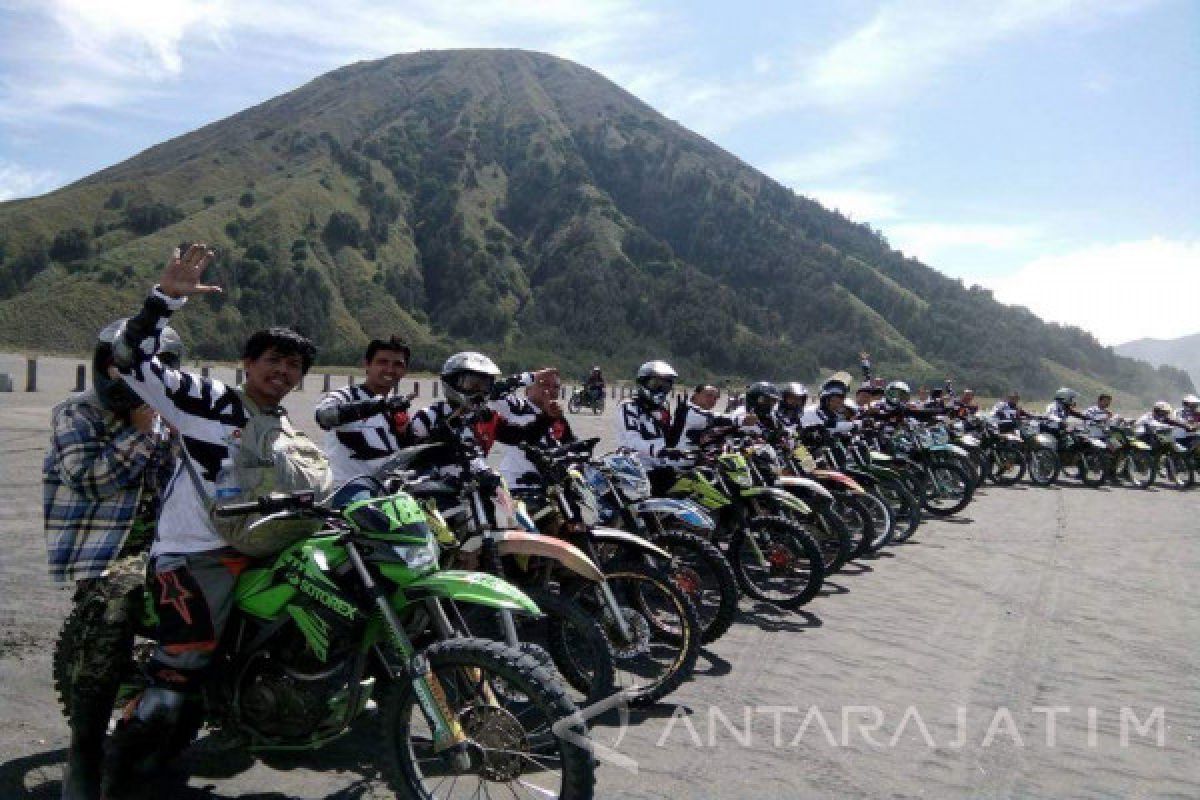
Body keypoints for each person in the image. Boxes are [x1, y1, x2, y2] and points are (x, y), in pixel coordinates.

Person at [103, 244, 326, 794]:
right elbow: (132, 359)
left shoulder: (280, 425)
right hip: (195, 556)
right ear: (247, 364)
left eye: (293, 364)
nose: (283, 370)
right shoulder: (210, 401)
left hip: (257, 550)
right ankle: (121, 772)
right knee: (184, 659)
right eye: (271, 359)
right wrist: (163, 302)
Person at [44, 322, 183, 800]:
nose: (125, 376)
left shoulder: (167, 416)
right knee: (118, 602)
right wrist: (142, 434)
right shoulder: (76, 412)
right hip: (105, 549)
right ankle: (84, 747)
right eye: (118, 366)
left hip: (164, 542)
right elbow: (88, 478)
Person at [406, 352, 557, 475]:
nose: (479, 391)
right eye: (472, 384)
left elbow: (522, 436)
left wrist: (546, 418)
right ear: (451, 381)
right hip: (436, 498)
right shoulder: (427, 416)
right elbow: (409, 460)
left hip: (476, 495)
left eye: (485, 385)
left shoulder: (487, 417)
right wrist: (441, 437)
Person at [314, 336, 412, 484]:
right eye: (382, 362)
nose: (390, 369)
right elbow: (323, 416)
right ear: (367, 364)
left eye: (398, 364)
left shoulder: (397, 406)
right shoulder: (346, 396)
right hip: (346, 488)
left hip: (385, 490)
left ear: (404, 371)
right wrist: (378, 405)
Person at [493, 370, 577, 489]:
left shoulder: (556, 416)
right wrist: (529, 377)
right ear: (528, 390)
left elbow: (569, 444)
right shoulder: (517, 407)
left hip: (551, 485)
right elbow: (493, 393)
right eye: (544, 384)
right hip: (518, 484)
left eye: (555, 387)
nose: (550, 390)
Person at [617, 360, 684, 493]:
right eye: (656, 384)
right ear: (643, 382)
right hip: (638, 470)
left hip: (661, 466)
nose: (661, 389)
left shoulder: (663, 409)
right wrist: (661, 451)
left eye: (665, 386)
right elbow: (632, 442)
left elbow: (667, 440)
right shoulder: (629, 406)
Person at [670, 383, 738, 447]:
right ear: (696, 394)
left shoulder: (701, 413)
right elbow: (714, 418)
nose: (712, 400)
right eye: (709, 395)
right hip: (679, 456)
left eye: (715, 398)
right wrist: (739, 420)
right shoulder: (687, 409)